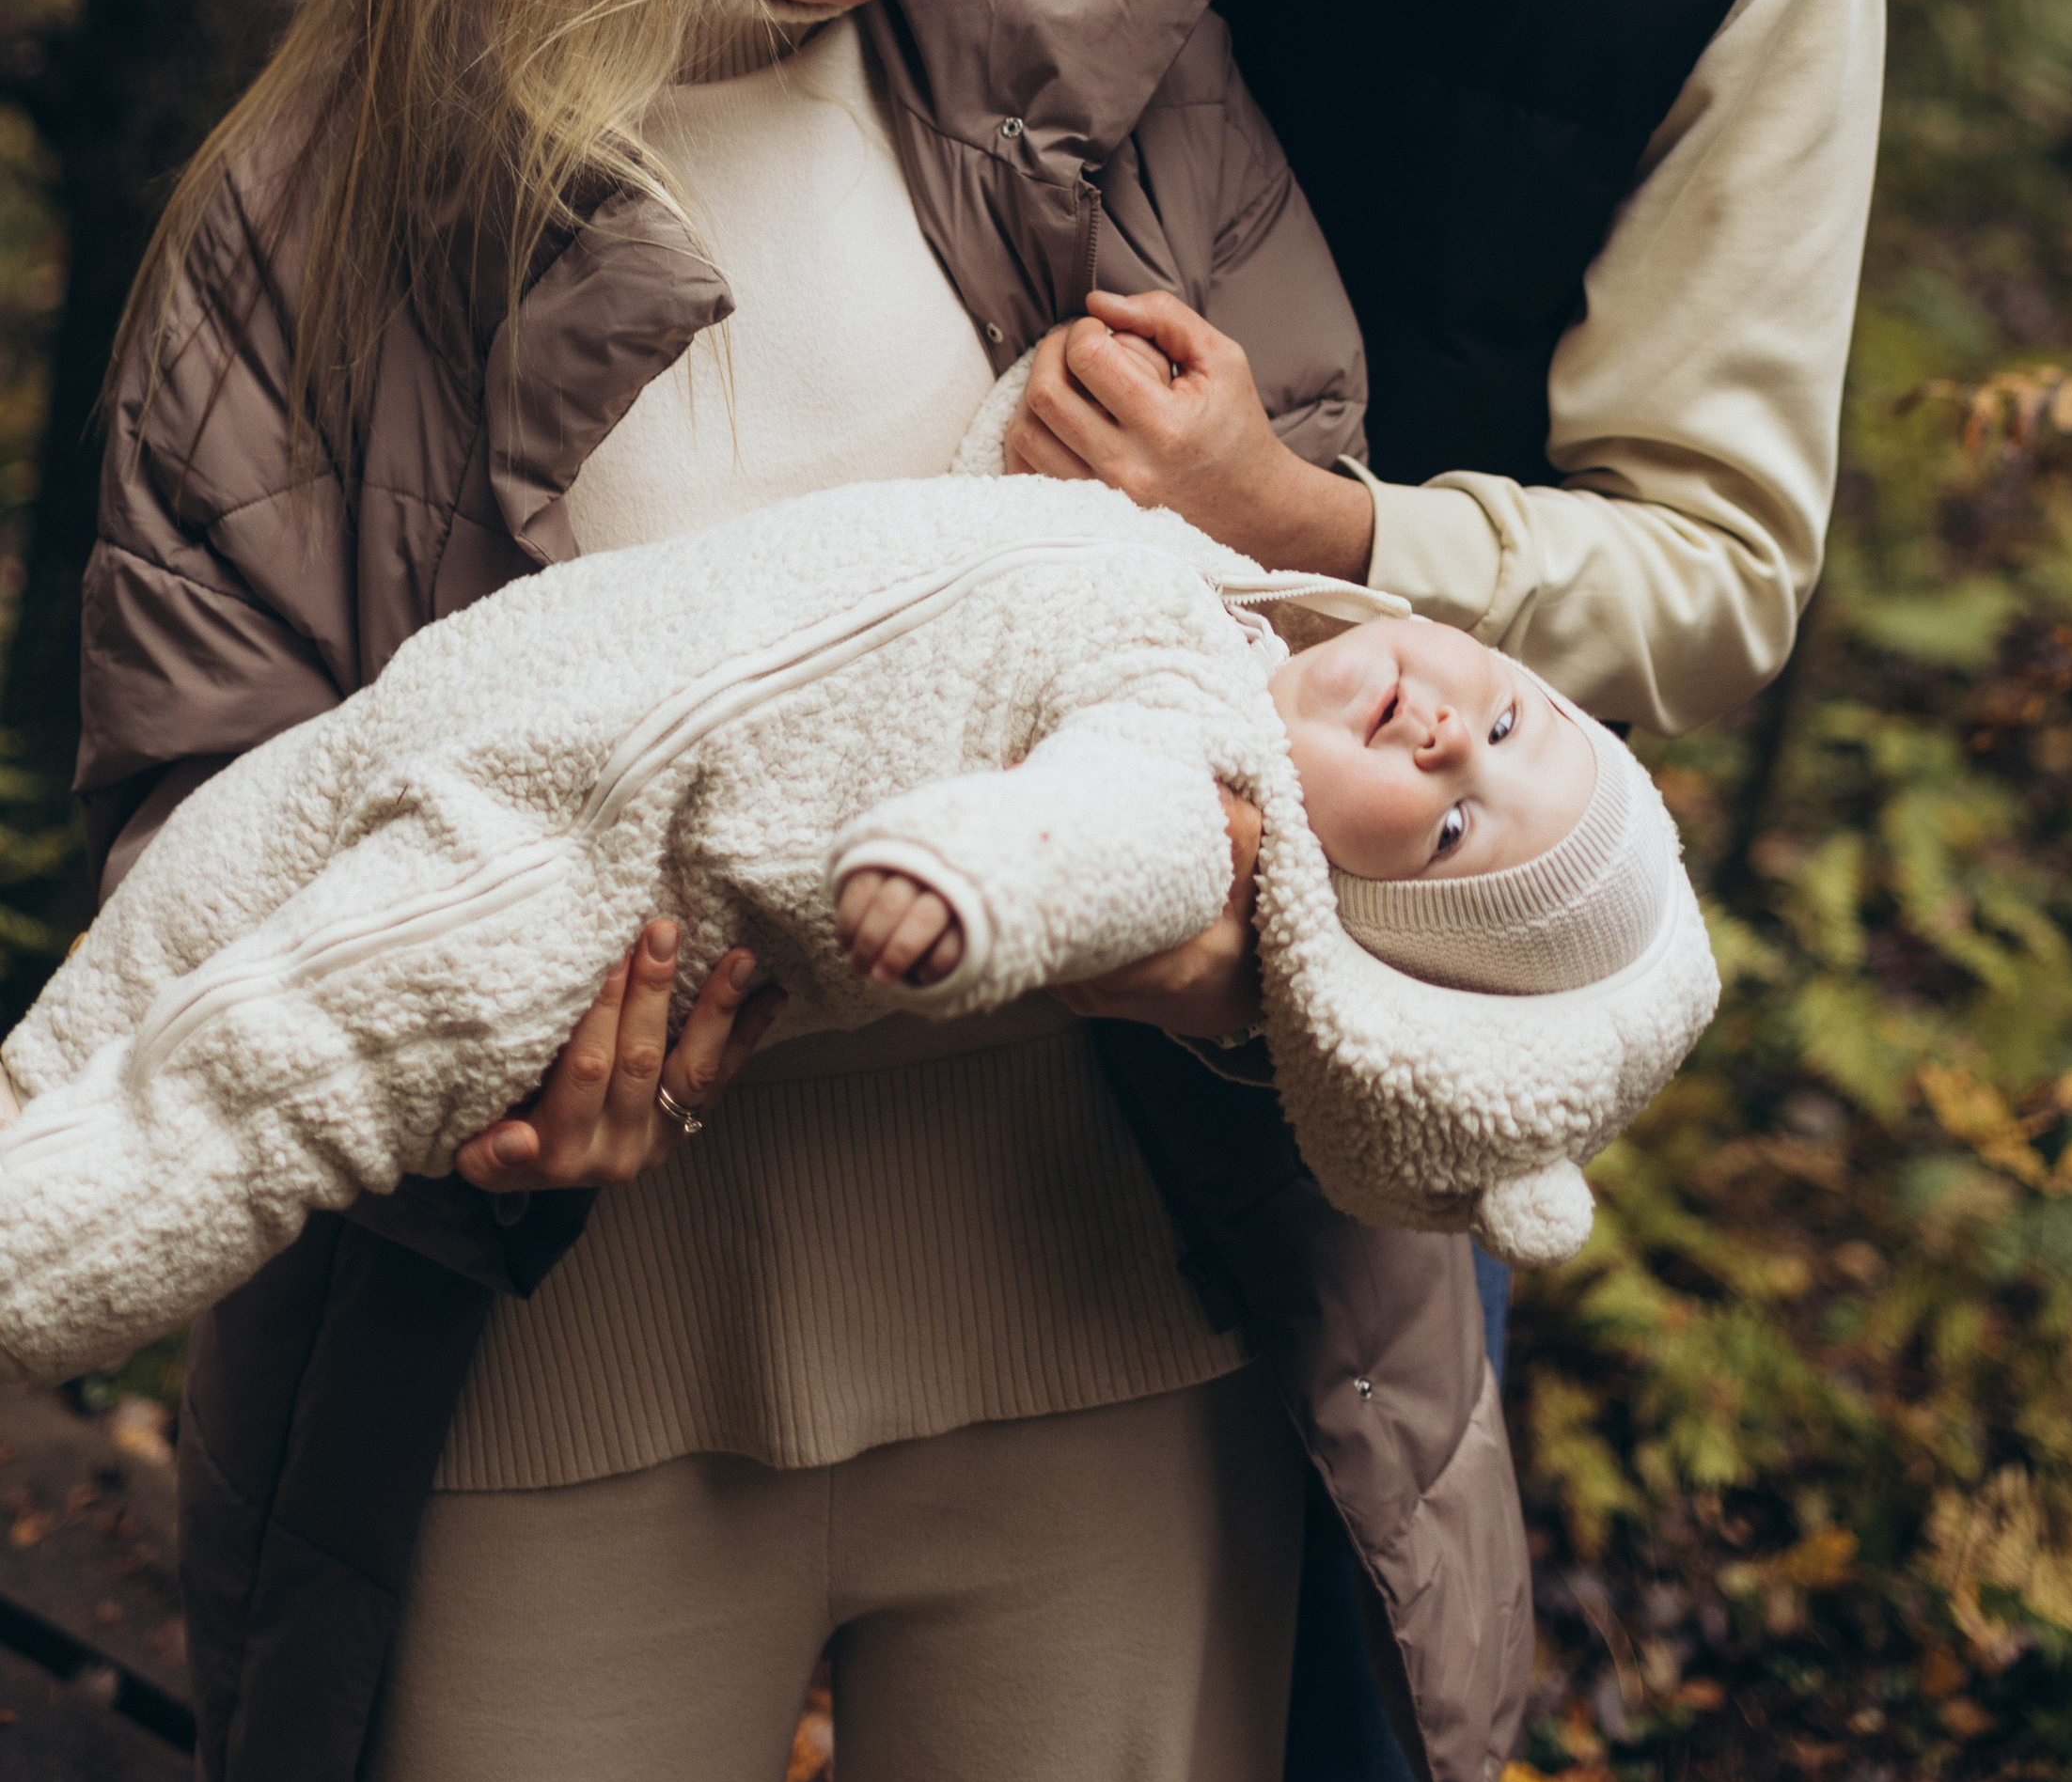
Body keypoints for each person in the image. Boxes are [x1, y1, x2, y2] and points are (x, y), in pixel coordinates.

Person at [72, 0, 1524, 1782]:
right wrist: (462, 1110)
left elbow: (1345, 702)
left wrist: (1232, 930)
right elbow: (197, 828)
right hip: (546, 1386)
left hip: (1109, 1347)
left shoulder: (1119, 83)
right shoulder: (330, 210)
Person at [993, 0, 1886, 1782]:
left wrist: (1327, 526)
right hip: (894, 843)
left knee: (1348, 1740)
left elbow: (1719, 569)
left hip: (1352, 991)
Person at [3, 483, 1714, 1386]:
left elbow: (1094, 838)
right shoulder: (1199, 581)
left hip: (562, 880)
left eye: (1451, 831)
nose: (1447, 748)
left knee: (235, 1097)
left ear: (1347, 910)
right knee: (149, 963)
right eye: (1508, 729)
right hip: (477, 708)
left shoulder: (1197, 769)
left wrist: (974, 884)